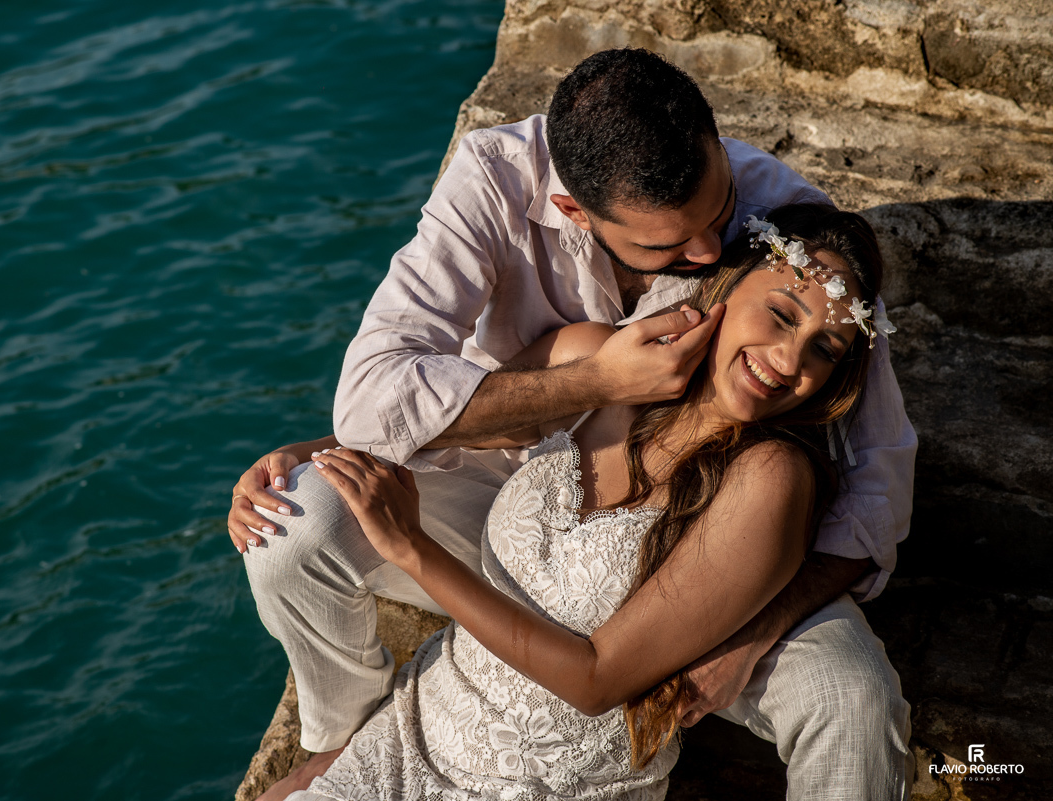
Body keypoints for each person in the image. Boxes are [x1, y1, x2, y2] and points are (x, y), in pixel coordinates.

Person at [233, 49, 916, 800]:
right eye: (668, 246)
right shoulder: (494, 180)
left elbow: (880, 486)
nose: (707, 252)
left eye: (717, 216)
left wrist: (757, 628)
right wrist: (598, 380)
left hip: (714, 550)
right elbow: (377, 399)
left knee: (851, 694)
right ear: (574, 211)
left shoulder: (781, 228)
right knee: (293, 519)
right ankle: (345, 736)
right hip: (525, 474)